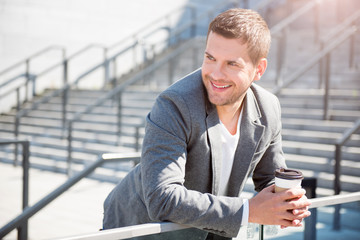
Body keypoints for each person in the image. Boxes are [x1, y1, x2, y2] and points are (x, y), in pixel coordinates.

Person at [103, 8, 311, 239]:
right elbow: (162, 198)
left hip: (211, 232)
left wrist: (286, 201)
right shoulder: (174, 104)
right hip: (140, 230)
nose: (215, 74)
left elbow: (269, 177)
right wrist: (249, 211)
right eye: (210, 58)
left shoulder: (268, 108)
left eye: (232, 64)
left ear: (258, 69)